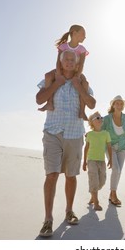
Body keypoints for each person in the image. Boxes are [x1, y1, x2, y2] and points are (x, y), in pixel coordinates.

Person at [36, 50, 96, 237]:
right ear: (60, 62)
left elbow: (92, 104)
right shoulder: (53, 78)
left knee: (71, 176)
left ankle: (69, 211)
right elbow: (39, 99)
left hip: (75, 134)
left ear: (77, 64)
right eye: (66, 59)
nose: (70, 62)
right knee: (52, 174)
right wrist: (57, 84)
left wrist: (79, 87)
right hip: (53, 132)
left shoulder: (82, 81)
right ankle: (48, 219)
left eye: (73, 60)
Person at [38, 24, 90, 120]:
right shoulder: (63, 46)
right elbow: (58, 61)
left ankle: (82, 110)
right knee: (48, 75)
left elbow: (81, 65)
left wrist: (77, 76)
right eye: (83, 34)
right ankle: (49, 102)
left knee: (85, 83)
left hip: (76, 71)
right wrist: (58, 74)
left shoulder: (82, 49)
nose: (85, 37)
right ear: (74, 33)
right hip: (61, 69)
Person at [102, 95, 125, 207]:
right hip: (110, 147)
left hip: (123, 147)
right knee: (116, 168)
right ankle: (114, 194)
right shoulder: (106, 119)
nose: (119, 105)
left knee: (119, 171)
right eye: (117, 103)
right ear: (113, 105)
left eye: (121, 104)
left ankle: (112, 193)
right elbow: (101, 131)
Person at [82, 112, 112, 211]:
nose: (100, 119)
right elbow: (86, 148)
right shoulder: (90, 134)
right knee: (94, 180)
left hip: (102, 161)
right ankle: (96, 203)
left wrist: (111, 159)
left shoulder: (106, 133)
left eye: (101, 117)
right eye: (97, 118)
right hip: (91, 161)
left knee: (102, 181)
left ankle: (92, 195)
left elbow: (109, 147)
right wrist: (84, 162)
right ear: (92, 122)